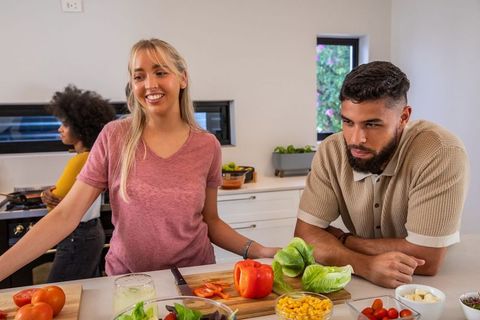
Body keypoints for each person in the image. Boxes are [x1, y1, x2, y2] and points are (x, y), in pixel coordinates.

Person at [0, 39, 277, 280]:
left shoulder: (207, 146)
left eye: (160, 72)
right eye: (139, 76)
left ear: (183, 78)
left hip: (193, 279)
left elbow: (212, 222)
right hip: (129, 281)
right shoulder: (114, 136)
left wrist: (259, 250)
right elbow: (65, 215)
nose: (150, 84)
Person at [295, 61, 469, 288]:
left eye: (372, 124)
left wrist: (342, 239)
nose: (356, 139)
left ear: (404, 117)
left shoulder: (441, 152)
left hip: (427, 287)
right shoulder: (331, 150)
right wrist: (364, 265)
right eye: (348, 122)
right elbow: (305, 236)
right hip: (362, 282)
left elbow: (427, 258)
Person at [40, 85, 116, 282]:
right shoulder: (91, 157)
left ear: (80, 128)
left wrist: (45, 195)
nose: (60, 129)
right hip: (90, 231)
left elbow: (55, 200)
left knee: (58, 289)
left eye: (65, 125)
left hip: (78, 235)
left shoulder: (81, 159)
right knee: (85, 288)